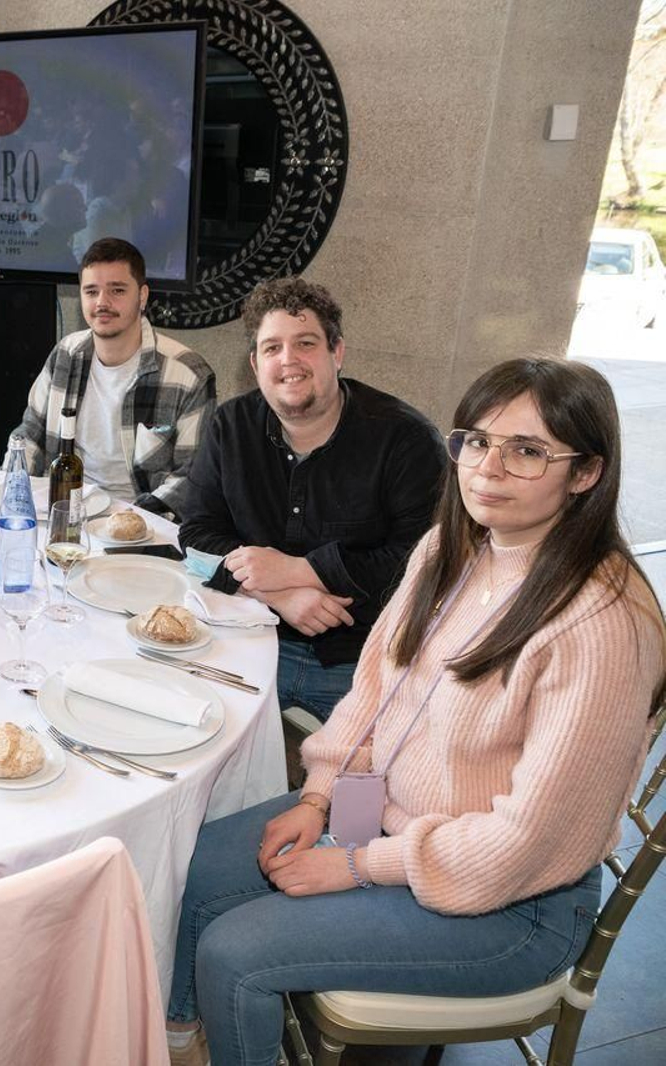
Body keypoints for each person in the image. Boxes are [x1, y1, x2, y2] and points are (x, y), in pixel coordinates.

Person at [165, 357, 666, 1066]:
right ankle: (181, 1035)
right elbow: (375, 694)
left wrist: (356, 865)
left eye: (527, 451)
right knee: (201, 862)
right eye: (477, 440)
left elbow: (523, 845)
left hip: (513, 904)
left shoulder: (600, 625)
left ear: (585, 472)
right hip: (393, 823)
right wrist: (318, 799)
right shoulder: (453, 547)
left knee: (236, 952)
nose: (488, 468)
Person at [179, 278, 447, 721]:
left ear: (336, 352)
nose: (288, 361)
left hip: (363, 661)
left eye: (305, 343)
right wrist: (274, 595)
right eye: (272, 348)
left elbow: (421, 562)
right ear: (254, 362)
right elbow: (196, 535)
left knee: (368, 785)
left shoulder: (406, 440)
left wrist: (298, 570)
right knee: (191, 740)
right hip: (248, 639)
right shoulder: (231, 426)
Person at [12, 237, 215, 518]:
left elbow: (192, 476)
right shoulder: (66, 355)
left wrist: (130, 519)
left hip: (140, 526)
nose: (102, 302)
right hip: (60, 511)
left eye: (117, 290)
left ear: (142, 296)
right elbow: (30, 432)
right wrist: (14, 489)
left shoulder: (188, 375)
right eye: (91, 291)